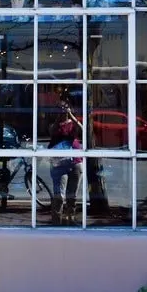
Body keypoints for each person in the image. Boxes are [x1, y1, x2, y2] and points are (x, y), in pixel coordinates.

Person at [48, 95, 83, 225]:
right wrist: (59, 118)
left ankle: (71, 219)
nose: (63, 112)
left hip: (75, 161)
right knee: (59, 195)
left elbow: (81, 129)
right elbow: (51, 132)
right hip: (59, 163)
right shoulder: (55, 125)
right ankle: (57, 220)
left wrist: (70, 115)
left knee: (72, 195)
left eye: (65, 109)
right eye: (60, 110)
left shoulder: (73, 124)